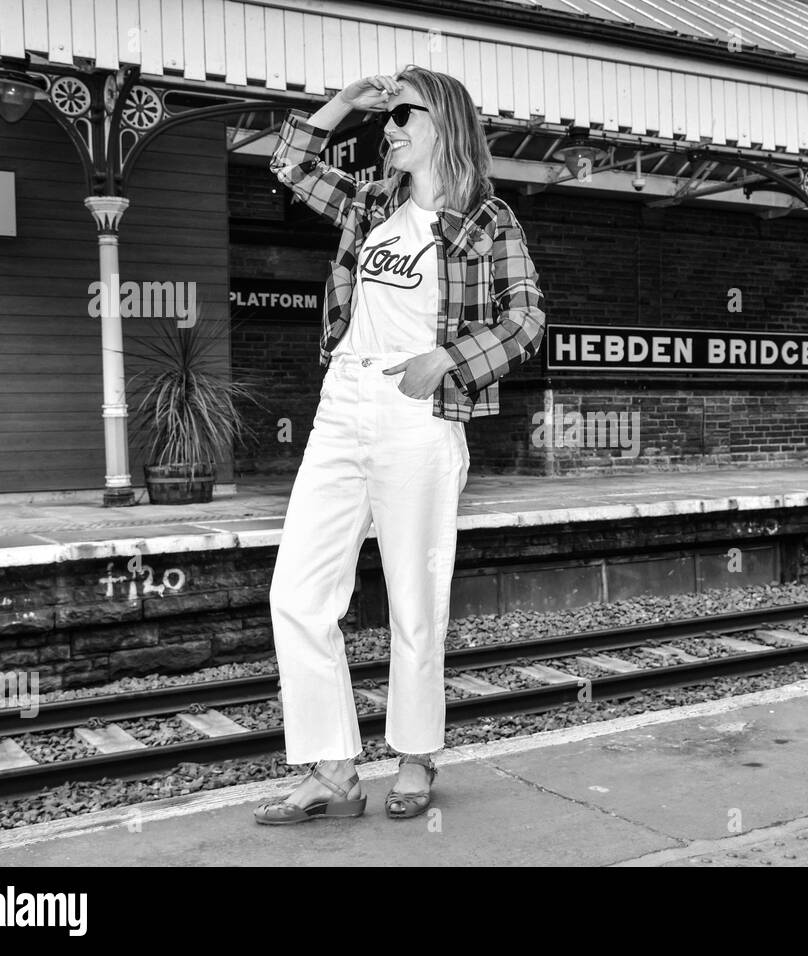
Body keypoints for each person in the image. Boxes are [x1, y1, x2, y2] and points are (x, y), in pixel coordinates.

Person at [255, 67, 546, 824]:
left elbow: (526, 320)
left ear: (443, 122)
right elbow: (289, 162)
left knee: (417, 598)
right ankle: (333, 771)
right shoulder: (372, 201)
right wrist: (347, 100)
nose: (387, 129)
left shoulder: (488, 220)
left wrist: (447, 359)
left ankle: (414, 757)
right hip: (343, 403)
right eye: (384, 118)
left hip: (418, 414)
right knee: (297, 593)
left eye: (401, 116)